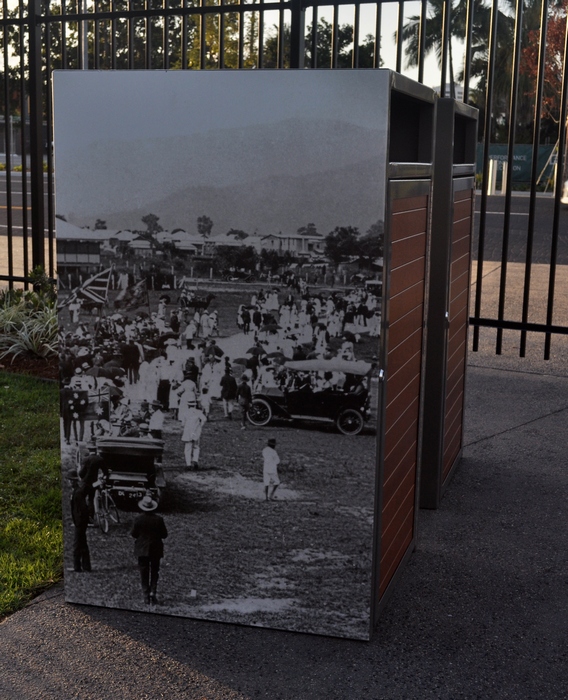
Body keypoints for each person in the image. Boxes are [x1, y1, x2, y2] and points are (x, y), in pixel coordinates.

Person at [131, 493, 168, 605]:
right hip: (155, 548)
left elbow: (133, 534)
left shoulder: (138, 519)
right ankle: (153, 591)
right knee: (155, 571)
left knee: (144, 572)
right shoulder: (159, 519)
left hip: (142, 549)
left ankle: (146, 595)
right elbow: (164, 535)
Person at [69, 470, 91, 572]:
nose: (69, 482)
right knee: (83, 544)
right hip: (80, 522)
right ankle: (86, 566)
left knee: (77, 544)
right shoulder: (78, 491)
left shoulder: (77, 493)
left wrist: (79, 521)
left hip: (80, 522)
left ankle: (77, 567)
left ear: (74, 481)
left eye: (70, 480)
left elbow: (83, 509)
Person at [181, 401, 206, 469]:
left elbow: (183, 424)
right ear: (194, 405)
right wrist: (200, 425)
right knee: (196, 446)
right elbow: (204, 419)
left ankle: (188, 464)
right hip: (196, 431)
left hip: (188, 431)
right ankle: (195, 460)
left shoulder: (185, 412)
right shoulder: (198, 412)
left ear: (188, 405)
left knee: (188, 448)